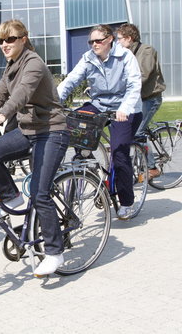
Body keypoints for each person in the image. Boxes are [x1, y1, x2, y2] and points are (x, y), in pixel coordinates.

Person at [0, 19, 69, 276]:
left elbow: (22, 95)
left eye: (11, 39)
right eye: (1, 41)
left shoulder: (33, 63)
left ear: (24, 39)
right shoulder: (11, 67)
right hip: (29, 131)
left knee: (40, 193)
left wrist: (4, 115)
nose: (5, 44)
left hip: (52, 131)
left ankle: (54, 253)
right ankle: (12, 196)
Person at [58, 24, 142, 220]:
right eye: (91, 41)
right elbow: (71, 80)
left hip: (125, 107)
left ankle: (127, 202)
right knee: (75, 127)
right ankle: (87, 169)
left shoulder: (125, 56)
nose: (94, 44)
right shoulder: (88, 58)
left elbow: (134, 84)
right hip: (100, 104)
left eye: (98, 41)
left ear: (110, 39)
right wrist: (52, 102)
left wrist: (124, 108)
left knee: (119, 150)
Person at [116, 23, 166, 179]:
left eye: (119, 39)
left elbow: (142, 76)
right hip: (136, 100)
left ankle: (152, 168)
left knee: (138, 133)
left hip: (149, 98)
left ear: (129, 39)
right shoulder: (124, 53)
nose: (117, 42)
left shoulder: (146, 51)